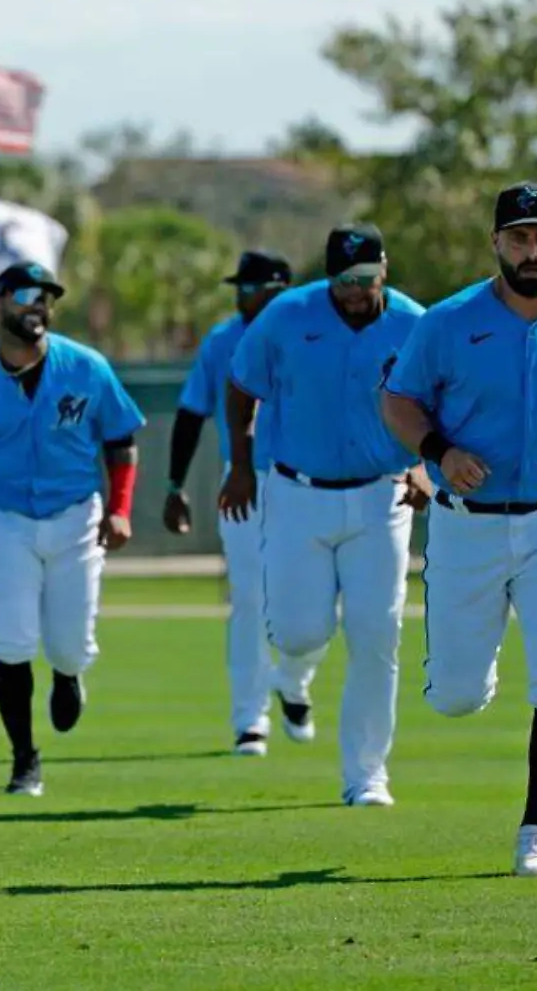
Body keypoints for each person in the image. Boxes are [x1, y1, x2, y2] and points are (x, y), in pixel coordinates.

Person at [382, 181, 537, 877]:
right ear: (496, 242)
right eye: (518, 237)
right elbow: (398, 401)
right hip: (467, 528)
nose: (531, 249)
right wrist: (438, 453)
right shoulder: (448, 321)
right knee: (457, 697)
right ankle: (469, 667)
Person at [0, 260, 143, 797]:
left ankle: (67, 674)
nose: (36, 306)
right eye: (24, 295)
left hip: (74, 515)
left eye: (46, 297)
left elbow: (121, 440)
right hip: (2, 519)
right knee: (12, 641)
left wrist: (121, 506)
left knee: (70, 647)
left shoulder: (86, 367)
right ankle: (24, 759)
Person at [223, 223, 427, 808]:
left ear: (384, 269)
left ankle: (367, 774)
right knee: (297, 630)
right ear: (328, 277)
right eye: (344, 281)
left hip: (381, 495)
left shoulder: (416, 323)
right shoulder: (287, 315)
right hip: (295, 493)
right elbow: (241, 389)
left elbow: (442, 401)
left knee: (376, 633)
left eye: (366, 279)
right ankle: (293, 675)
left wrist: (423, 466)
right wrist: (241, 466)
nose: (357, 292)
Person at [163, 250, 319, 756]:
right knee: (249, 600)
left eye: (251, 288)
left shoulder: (318, 327)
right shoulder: (223, 339)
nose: (241, 298)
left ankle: (294, 682)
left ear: (279, 290)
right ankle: (250, 719)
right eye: (240, 289)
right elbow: (191, 412)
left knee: (319, 602)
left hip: (315, 483)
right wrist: (174, 486)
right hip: (244, 483)